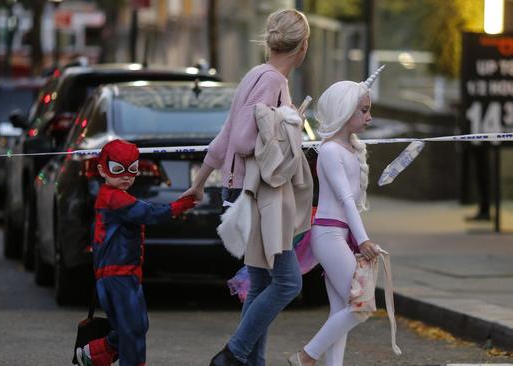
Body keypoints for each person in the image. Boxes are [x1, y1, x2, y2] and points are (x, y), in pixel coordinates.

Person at [181, 9, 311, 366]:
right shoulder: (273, 83)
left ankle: (250, 362)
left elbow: (224, 136)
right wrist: (287, 124)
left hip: (240, 189)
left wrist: (199, 182)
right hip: (258, 195)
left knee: (260, 284)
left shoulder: (255, 74)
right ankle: (232, 354)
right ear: (303, 47)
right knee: (287, 283)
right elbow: (240, 139)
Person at [289, 68, 385, 366]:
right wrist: (365, 239)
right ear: (345, 111)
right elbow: (345, 200)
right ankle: (307, 356)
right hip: (329, 235)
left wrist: (359, 237)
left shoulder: (346, 149)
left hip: (337, 235)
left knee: (342, 307)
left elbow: (350, 203)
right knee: (361, 305)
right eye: (364, 110)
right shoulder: (330, 150)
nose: (369, 117)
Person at [75, 139, 196, 366]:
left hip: (125, 274)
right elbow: (146, 213)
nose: (126, 176)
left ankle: (95, 353)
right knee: (132, 329)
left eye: (132, 169)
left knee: (136, 326)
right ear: (102, 169)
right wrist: (180, 205)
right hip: (116, 276)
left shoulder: (116, 196)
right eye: (118, 169)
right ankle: (97, 353)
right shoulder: (113, 197)